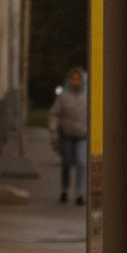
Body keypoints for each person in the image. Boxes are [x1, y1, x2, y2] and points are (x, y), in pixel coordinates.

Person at [50, 64, 90, 205]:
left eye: (78, 79)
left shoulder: (88, 97)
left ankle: (80, 193)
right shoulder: (63, 96)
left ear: (83, 80)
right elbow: (54, 114)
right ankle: (65, 189)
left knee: (81, 162)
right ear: (69, 80)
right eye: (73, 79)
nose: (75, 82)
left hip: (83, 135)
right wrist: (53, 131)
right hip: (66, 134)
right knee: (66, 163)